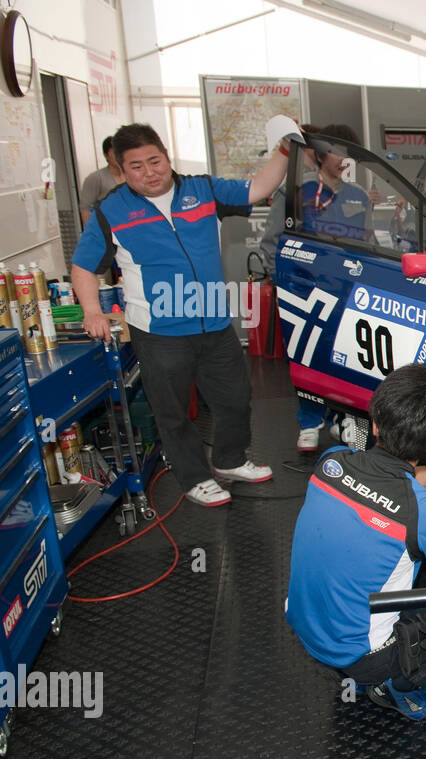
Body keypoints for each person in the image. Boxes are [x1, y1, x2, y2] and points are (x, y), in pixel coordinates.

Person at [69, 122, 297, 506]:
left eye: (154, 161)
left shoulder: (202, 189)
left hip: (214, 321)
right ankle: (193, 477)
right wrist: (92, 312)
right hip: (159, 332)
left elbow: (259, 187)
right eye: (136, 167)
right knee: (172, 412)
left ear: (167, 156)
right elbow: (82, 267)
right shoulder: (111, 210)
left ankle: (229, 459)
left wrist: (286, 151)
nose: (149, 172)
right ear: (122, 171)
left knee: (236, 400)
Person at [285, 363, 426, 719]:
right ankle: (399, 683)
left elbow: (395, 483)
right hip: (360, 656)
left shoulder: (332, 462)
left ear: (376, 423)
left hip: (305, 626)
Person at [259, 123, 366, 452]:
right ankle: (309, 421)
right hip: (304, 294)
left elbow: (366, 244)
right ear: (319, 154)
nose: (343, 160)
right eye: (336, 151)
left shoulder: (359, 197)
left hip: (347, 294)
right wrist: (286, 283)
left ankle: (342, 418)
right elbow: (271, 243)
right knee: (308, 359)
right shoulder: (295, 194)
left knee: (346, 359)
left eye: (350, 154)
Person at [79, 136, 125, 228]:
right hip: (108, 228)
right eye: (114, 152)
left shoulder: (131, 175)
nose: (119, 156)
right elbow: (85, 208)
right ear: (106, 155)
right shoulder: (96, 178)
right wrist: (90, 234)